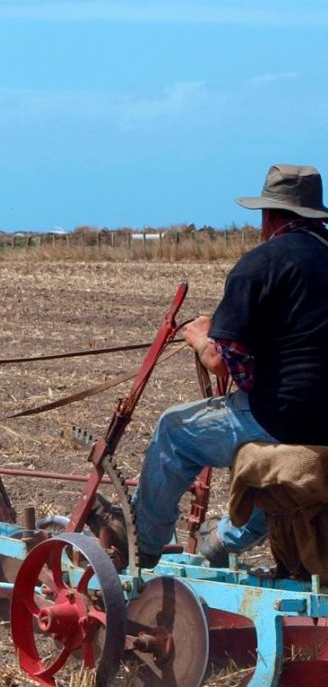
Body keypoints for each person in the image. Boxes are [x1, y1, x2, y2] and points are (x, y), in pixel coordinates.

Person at [103, 164, 328, 567]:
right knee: (273, 469)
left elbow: (225, 363)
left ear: (270, 215)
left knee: (174, 430)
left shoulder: (260, 265)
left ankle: (144, 543)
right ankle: (222, 542)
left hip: (284, 418)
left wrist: (199, 336)